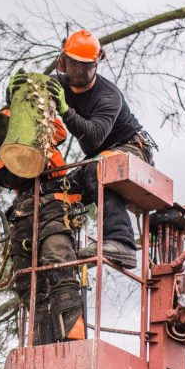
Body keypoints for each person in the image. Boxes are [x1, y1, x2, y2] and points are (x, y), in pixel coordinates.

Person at [0, 85, 85, 345]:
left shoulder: (16, 115)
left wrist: (29, 118)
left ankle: (73, 338)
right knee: (25, 279)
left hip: (54, 192)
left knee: (57, 256)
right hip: (22, 206)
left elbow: (59, 131)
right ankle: (42, 345)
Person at [11, 29, 156, 269]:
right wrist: (16, 91)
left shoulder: (108, 96)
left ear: (97, 64)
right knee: (55, 189)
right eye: (74, 64)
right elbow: (29, 99)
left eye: (86, 67)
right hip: (99, 157)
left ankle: (121, 243)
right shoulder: (57, 84)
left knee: (97, 168)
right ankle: (58, 251)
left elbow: (92, 140)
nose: (79, 71)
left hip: (132, 148)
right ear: (63, 61)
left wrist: (66, 110)